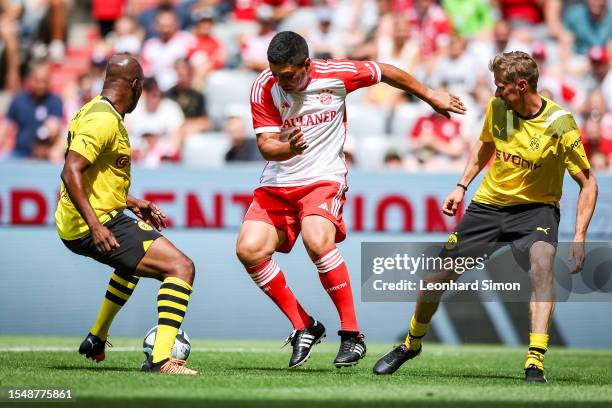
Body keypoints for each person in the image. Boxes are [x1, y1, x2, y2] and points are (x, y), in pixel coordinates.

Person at [236, 31, 466, 369]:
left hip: (323, 176)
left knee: (317, 241)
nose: (281, 81)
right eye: (275, 73)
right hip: (279, 180)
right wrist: (290, 148)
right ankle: (304, 325)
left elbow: (384, 70)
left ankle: (352, 335)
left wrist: (429, 95)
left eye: (287, 75)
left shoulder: (336, 74)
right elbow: (267, 145)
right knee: (248, 249)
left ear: (305, 65)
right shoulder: (264, 86)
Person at [373, 51, 598, 383]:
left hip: (535, 210)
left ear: (521, 86)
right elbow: (484, 147)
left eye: (501, 86)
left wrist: (579, 237)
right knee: (435, 279)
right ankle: (411, 343)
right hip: (488, 207)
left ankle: (535, 360)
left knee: (543, 266)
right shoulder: (501, 108)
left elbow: (588, 183)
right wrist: (461, 186)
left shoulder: (559, 124)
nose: (495, 93)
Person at [55, 54, 198, 375]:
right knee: (180, 267)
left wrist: (131, 201)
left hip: (89, 218)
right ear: (136, 86)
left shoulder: (92, 110)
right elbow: (71, 171)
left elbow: (94, 175)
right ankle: (162, 359)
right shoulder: (103, 120)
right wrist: (96, 226)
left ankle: (96, 338)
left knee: (131, 263)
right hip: (93, 222)